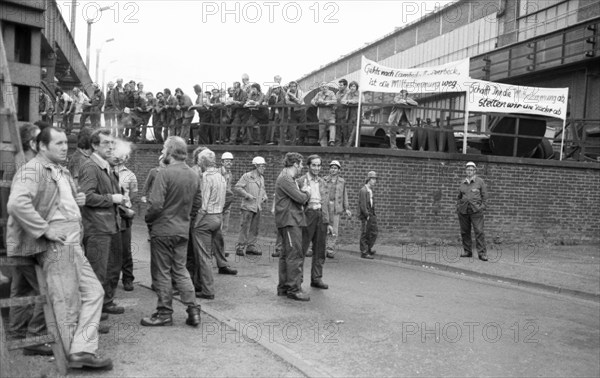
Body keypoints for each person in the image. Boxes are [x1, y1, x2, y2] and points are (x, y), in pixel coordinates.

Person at [7, 126, 113, 369]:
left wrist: (78, 201)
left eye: (66, 142)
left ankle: (81, 350)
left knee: (94, 293)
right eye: (58, 143)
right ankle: (74, 356)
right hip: (57, 246)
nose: (65, 147)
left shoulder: (60, 171)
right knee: (66, 302)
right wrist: (45, 230)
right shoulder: (33, 169)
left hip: (72, 245)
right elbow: (16, 204)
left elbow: (56, 201)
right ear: (42, 146)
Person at [142, 136, 201, 327]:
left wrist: (149, 220)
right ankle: (193, 310)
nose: (162, 152)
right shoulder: (193, 174)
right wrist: (185, 218)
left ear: (169, 151)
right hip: (182, 229)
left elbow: (156, 204)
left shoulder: (164, 173)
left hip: (163, 229)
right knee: (181, 270)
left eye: (164, 149)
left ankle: (164, 312)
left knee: (162, 273)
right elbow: (197, 203)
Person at [79, 128, 125, 315]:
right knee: (97, 271)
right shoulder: (91, 167)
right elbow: (86, 196)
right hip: (97, 228)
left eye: (112, 143)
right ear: (94, 145)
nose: (111, 146)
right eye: (106, 143)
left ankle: (106, 303)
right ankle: (92, 316)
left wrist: (121, 204)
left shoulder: (105, 166)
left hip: (109, 225)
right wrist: (111, 199)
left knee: (110, 267)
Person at [191, 149, 237, 300]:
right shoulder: (221, 177)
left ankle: (207, 290)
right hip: (218, 216)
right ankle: (202, 285)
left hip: (206, 217)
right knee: (209, 252)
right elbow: (228, 197)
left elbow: (203, 205)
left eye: (199, 161)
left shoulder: (205, 177)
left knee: (203, 256)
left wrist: (196, 222)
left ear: (203, 162)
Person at [275, 152, 311, 301]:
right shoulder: (286, 179)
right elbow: (300, 198)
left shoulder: (288, 178)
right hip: (290, 221)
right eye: (301, 164)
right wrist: (307, 192)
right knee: (294, 255)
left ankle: (284, 287)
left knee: (285, 255)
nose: (302, 167)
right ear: (295, 164)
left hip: (289, 220)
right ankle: (294, 289)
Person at [296, 155, 333, 290]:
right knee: (302, 249)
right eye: (314, 165)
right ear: (308, 166)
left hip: (321, 216)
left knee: (320, 249)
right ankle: (297, 280)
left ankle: (317, 278)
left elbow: (327, 203)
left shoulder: (323, 182)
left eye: (319, 165)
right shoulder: (301, 181)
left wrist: (328, 222)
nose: (317, 168)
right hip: (308, 215)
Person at [112, 140, 138, 291]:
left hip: (124, 214)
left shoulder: (130, 175)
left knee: (125, 249)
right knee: (113, 249)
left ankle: (128, 278)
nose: (121, 158)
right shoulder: (108, 171)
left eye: (123, 156)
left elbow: (133, 194)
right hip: (111, 212)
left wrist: (126, 205)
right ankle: (113, 278)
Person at [234, 156, 268, 256]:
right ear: (256, 166)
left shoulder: (262, 178)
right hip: (248, 207)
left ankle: (251, 246)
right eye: (262, 166)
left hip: (257, 207)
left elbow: (263, 189)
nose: (264, 168)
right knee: (245, 227)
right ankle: (240, 247)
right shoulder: (247, 176)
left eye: (264, 166)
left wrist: (264, 196)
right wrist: (246, 195)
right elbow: (237, 187)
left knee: (254, 228)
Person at [457, 162, 489, 261]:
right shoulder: (463, 182)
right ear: (466, 171)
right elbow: (459, 197)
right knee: (465, 231)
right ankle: (467, 251)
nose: (469, 171)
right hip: (463, 211)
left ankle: (482, 253)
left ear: (475, 171)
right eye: (468, 170)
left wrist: (482, 207)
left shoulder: (480, 182)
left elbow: (485, 196)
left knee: (479, 231)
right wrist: (458, 206)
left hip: (476, 211)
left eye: (471, 170)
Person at [323, 160, 352, 258]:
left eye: (335, 168)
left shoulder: (342, 181)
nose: (333, 170)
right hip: (325, 207)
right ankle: (321, 247)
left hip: (336, 207)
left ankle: (330, 249)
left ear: (339, 170)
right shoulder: (324, 180)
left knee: (334, 229)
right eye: (331, 168)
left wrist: (346, 208)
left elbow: (345, 195)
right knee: (324, 227)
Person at [358, 171, 378, 259]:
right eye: (373, 179)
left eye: (375, 179)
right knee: (365, 233)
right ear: (368, 179)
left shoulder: (370, 190)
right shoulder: (363, 190)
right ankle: (364, 252)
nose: (375, 181)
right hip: (366, 215)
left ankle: (368, 248)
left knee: (373, 232)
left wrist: (373, 214)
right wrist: (367, 215)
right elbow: (363, 205)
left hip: (371, 214)